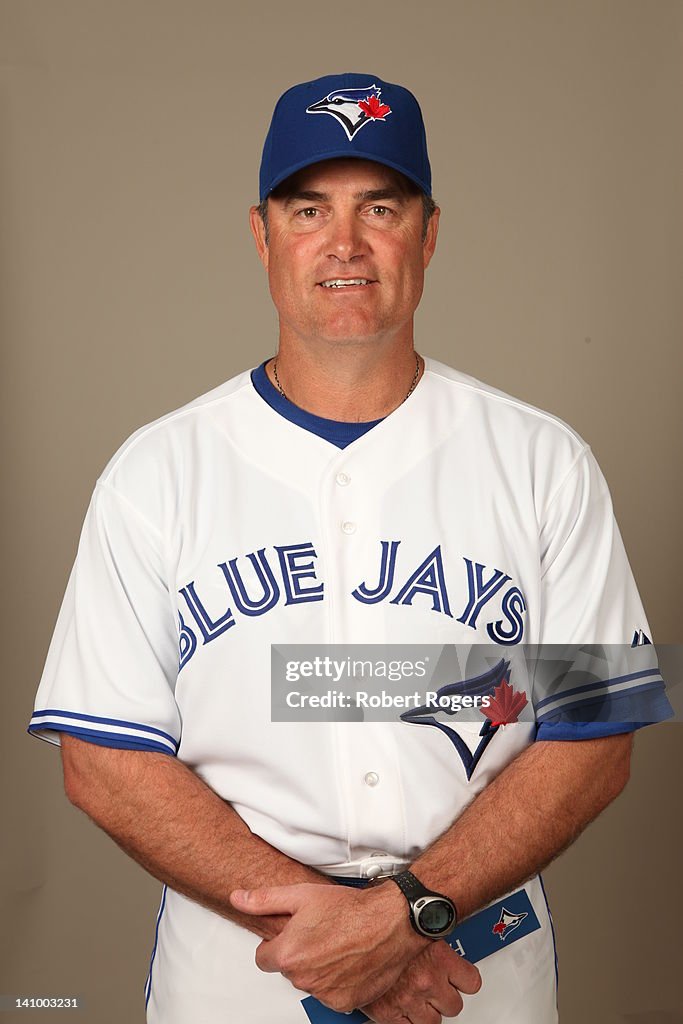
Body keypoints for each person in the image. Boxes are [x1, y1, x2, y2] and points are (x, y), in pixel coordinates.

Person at [28, 73, 672, 1024]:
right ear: (261, 234)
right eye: (307, 208)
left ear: (429, 231)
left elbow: (594, 733)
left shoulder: (541, 463)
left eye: (380, 206)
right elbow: (102, 760)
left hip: (470, 965)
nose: (344, 243)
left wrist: (409, 915)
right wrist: (330, 932)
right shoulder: (156, 472)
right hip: (243, 968)